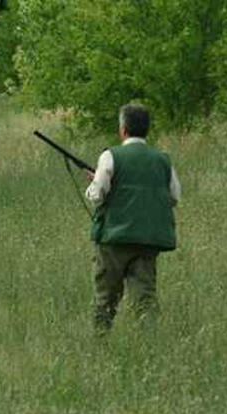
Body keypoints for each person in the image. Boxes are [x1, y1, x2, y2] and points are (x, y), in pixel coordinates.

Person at [84, 104, 181, 336]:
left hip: (113, 240)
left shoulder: (110, 156)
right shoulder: (163, 160)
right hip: (148, 241)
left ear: (123, 130)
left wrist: (93, 181)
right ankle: (150, 344)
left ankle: (100, 342)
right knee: (145, 299)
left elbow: (96, 194)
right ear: (147, 130)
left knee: (106, 298)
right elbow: (175, 196)